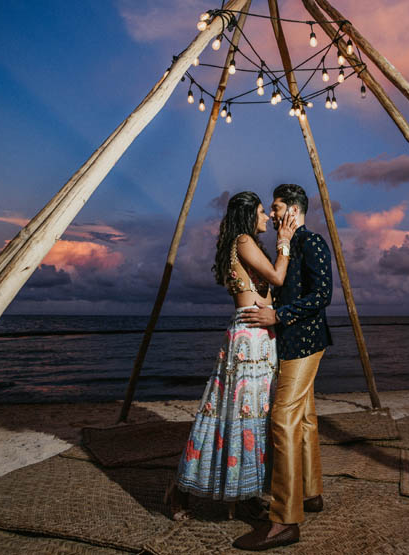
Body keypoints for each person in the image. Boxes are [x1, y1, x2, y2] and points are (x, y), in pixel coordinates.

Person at [165, 191, 299, 520]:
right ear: (247, 215)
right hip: (249, 336)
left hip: (260, 335)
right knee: (231, 415)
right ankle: (180, 489)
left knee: (255, 417)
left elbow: (267, 292)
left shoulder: (245, 244)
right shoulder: (242, 241)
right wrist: (285, 241)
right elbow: (277, 278)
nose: (267, 217)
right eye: (261, 212)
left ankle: (247, 491)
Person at [233, 184, 333, 551]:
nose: (272, 215)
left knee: (282, 419)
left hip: (306, 343)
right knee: (304, 417)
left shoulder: (312, 242)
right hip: (290, 343)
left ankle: (284, 520)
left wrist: (279, 315)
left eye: (276, 208)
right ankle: (310, 493)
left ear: (293, 209)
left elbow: (323, 295)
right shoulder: (288, 245)